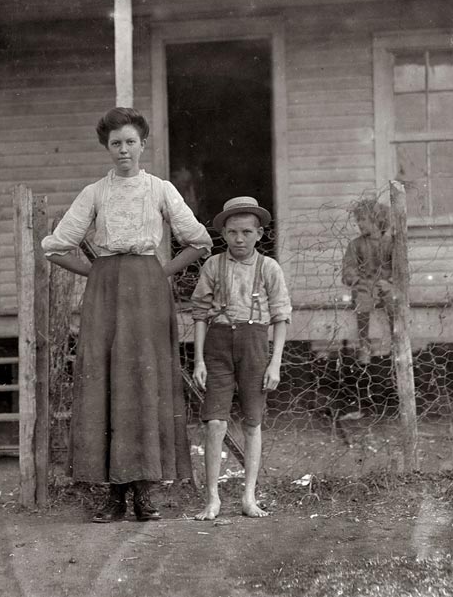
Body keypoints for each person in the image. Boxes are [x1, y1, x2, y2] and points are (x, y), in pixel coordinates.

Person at [41, 107, 212, 523]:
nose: (123, 150)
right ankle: (114, 496)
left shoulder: (160, 190)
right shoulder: (94, 193)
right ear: (106, 147)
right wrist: (96, 270)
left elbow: (199, 241)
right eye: (115, 143)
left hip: (148, 291)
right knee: (107, 382)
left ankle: (146, 494)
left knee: (145, 381)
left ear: (143, 144)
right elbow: (55, 246)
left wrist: (160, 272)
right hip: (106, 292)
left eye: (130, 142)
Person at [190, 196, 291, 520]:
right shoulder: (213, 265)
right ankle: (213, 499)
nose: (239, 239)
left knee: (252, 422)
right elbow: (200, 315)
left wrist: (275, 362)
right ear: (224, 233)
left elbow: (281, 317)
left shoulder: (269, 268)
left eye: (247, 232)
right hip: (218, 345)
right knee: (215, 421)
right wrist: (199, 361)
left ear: (260, 234)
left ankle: (249, 497)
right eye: (232, 232)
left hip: (255, 345)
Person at [341, 199, 395, 365]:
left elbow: (399, 269)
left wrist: (390, 281)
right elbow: (348, 270)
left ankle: (396, 343)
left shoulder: (391, 244)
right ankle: (364, 345)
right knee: (362, 300)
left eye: (363, 219)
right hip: (365, 286)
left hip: (385, 285)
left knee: (393, 300)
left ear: (376, 219)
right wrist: (357, 280)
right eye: (358, 220)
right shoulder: (355, 245)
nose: (359, 223)